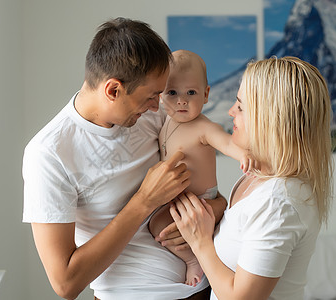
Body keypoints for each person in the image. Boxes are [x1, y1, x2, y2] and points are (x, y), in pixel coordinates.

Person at [22, 18, 227, 300]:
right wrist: (144, 201)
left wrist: (216, 207)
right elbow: (65, 283)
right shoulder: (49, 154)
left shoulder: (152, 115)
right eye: (150, 97)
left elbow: (205, 186)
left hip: (204, 289)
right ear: (113, 90)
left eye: (160, 93)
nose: (158, 106)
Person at [161, 56, 333, 300]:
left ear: (271, 119)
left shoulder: (280, 201)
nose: (231, 111)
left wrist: (199, 243)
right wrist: (215, 206)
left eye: (240, 107)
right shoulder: (255, 177)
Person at [148, 49, 255, 287]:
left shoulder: (204, 127)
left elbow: (226, 142)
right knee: (156, 225)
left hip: (201, 199)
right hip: (177, 199)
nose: (181, 100)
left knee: (161, 226)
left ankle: (193, 260)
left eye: (191, 92)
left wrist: (243, 155)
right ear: (161, 94)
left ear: (206, 94)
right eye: (172, 92)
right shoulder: (165, 122)